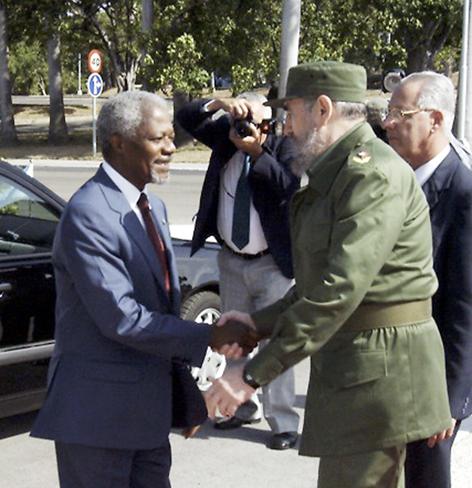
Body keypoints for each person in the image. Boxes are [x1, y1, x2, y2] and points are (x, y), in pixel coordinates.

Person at [205, 61, 452, 488]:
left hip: (380, 379)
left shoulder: (369, 174)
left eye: (291, 114)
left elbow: (338, 291)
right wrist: (257, 324)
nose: (284, 129)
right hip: (358, 368)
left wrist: (250, 375)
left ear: (322, 109)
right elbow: (318, 282)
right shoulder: (336, 173)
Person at [30, 91, 256, 488]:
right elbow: (122, 319)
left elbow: (162, 312)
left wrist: (183, 397)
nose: (171, 148)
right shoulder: (89, 214)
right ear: (118, 141)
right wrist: (212, 335)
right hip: (97, 422)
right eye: (158, 139)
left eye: (171, 137)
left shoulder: (154, 209)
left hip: (146, 421)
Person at [176, 92, 301, 450]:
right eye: (243, 120)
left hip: (272, 263)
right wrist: (219, 104)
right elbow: (187, 117)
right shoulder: (225, 137)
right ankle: (243, 406)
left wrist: (257, 152)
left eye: (257, 123)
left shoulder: (284, 146)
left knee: (277, 341)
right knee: (235, 340)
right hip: (232, 259)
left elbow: (290, 189)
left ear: (270, 124)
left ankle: (283, 422)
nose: (247, 128)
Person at [384, 71, 472, 488]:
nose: (388, 122)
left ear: (435, 120)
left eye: (400, 113)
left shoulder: (463, 191)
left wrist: (451, 402)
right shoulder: (397, 179)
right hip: (389, 371)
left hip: (431, 385)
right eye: (388, 112)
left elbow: (465, 306)